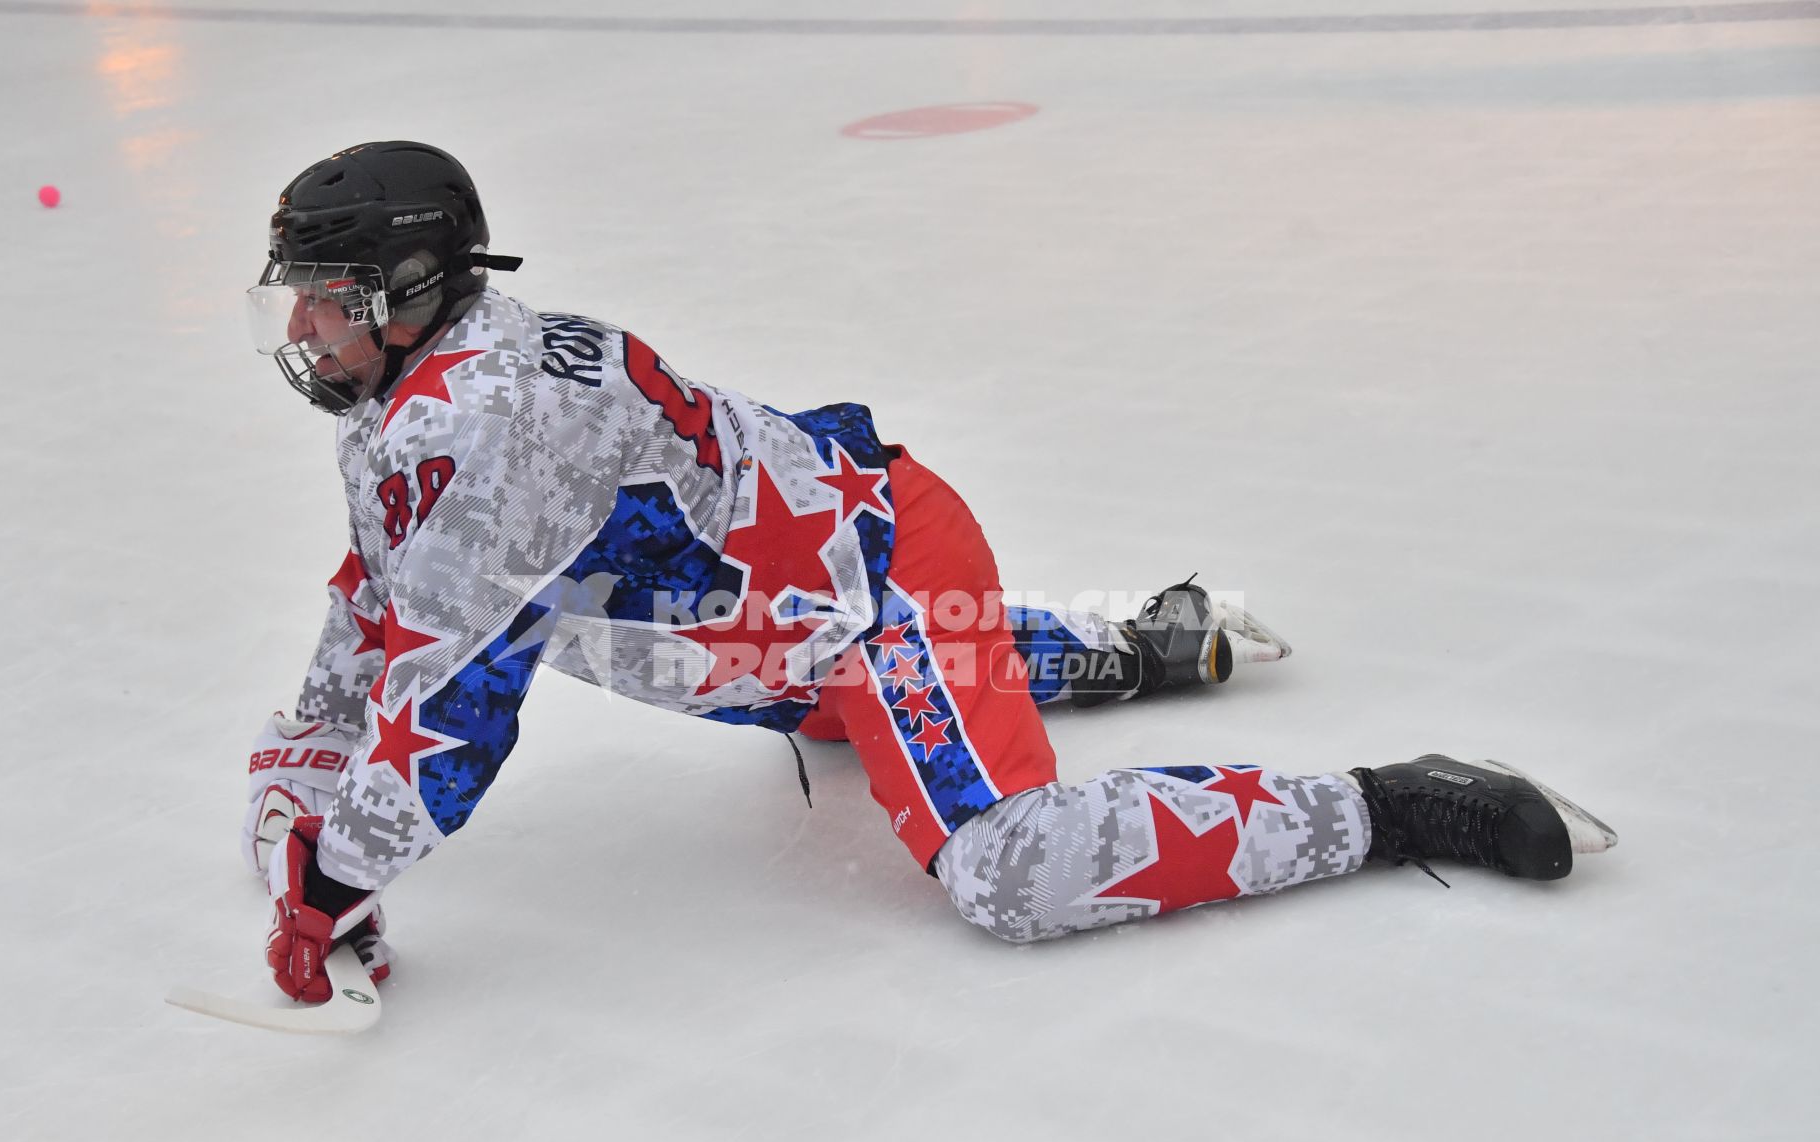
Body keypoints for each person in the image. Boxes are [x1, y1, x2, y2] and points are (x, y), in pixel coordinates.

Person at [243, 141, 1617, 1003]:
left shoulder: (480, 424)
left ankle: (1395, 806)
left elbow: (448, 724)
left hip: (874, 587)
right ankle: (1137, 648)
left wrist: (325, 880)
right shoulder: (421, 403)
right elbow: (385, 591)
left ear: (410, 290)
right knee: (850, 709)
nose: (297, 324)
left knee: (1005, 873)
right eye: (289, 289)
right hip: (786, 637)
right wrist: (305, 765)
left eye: (323, 292)